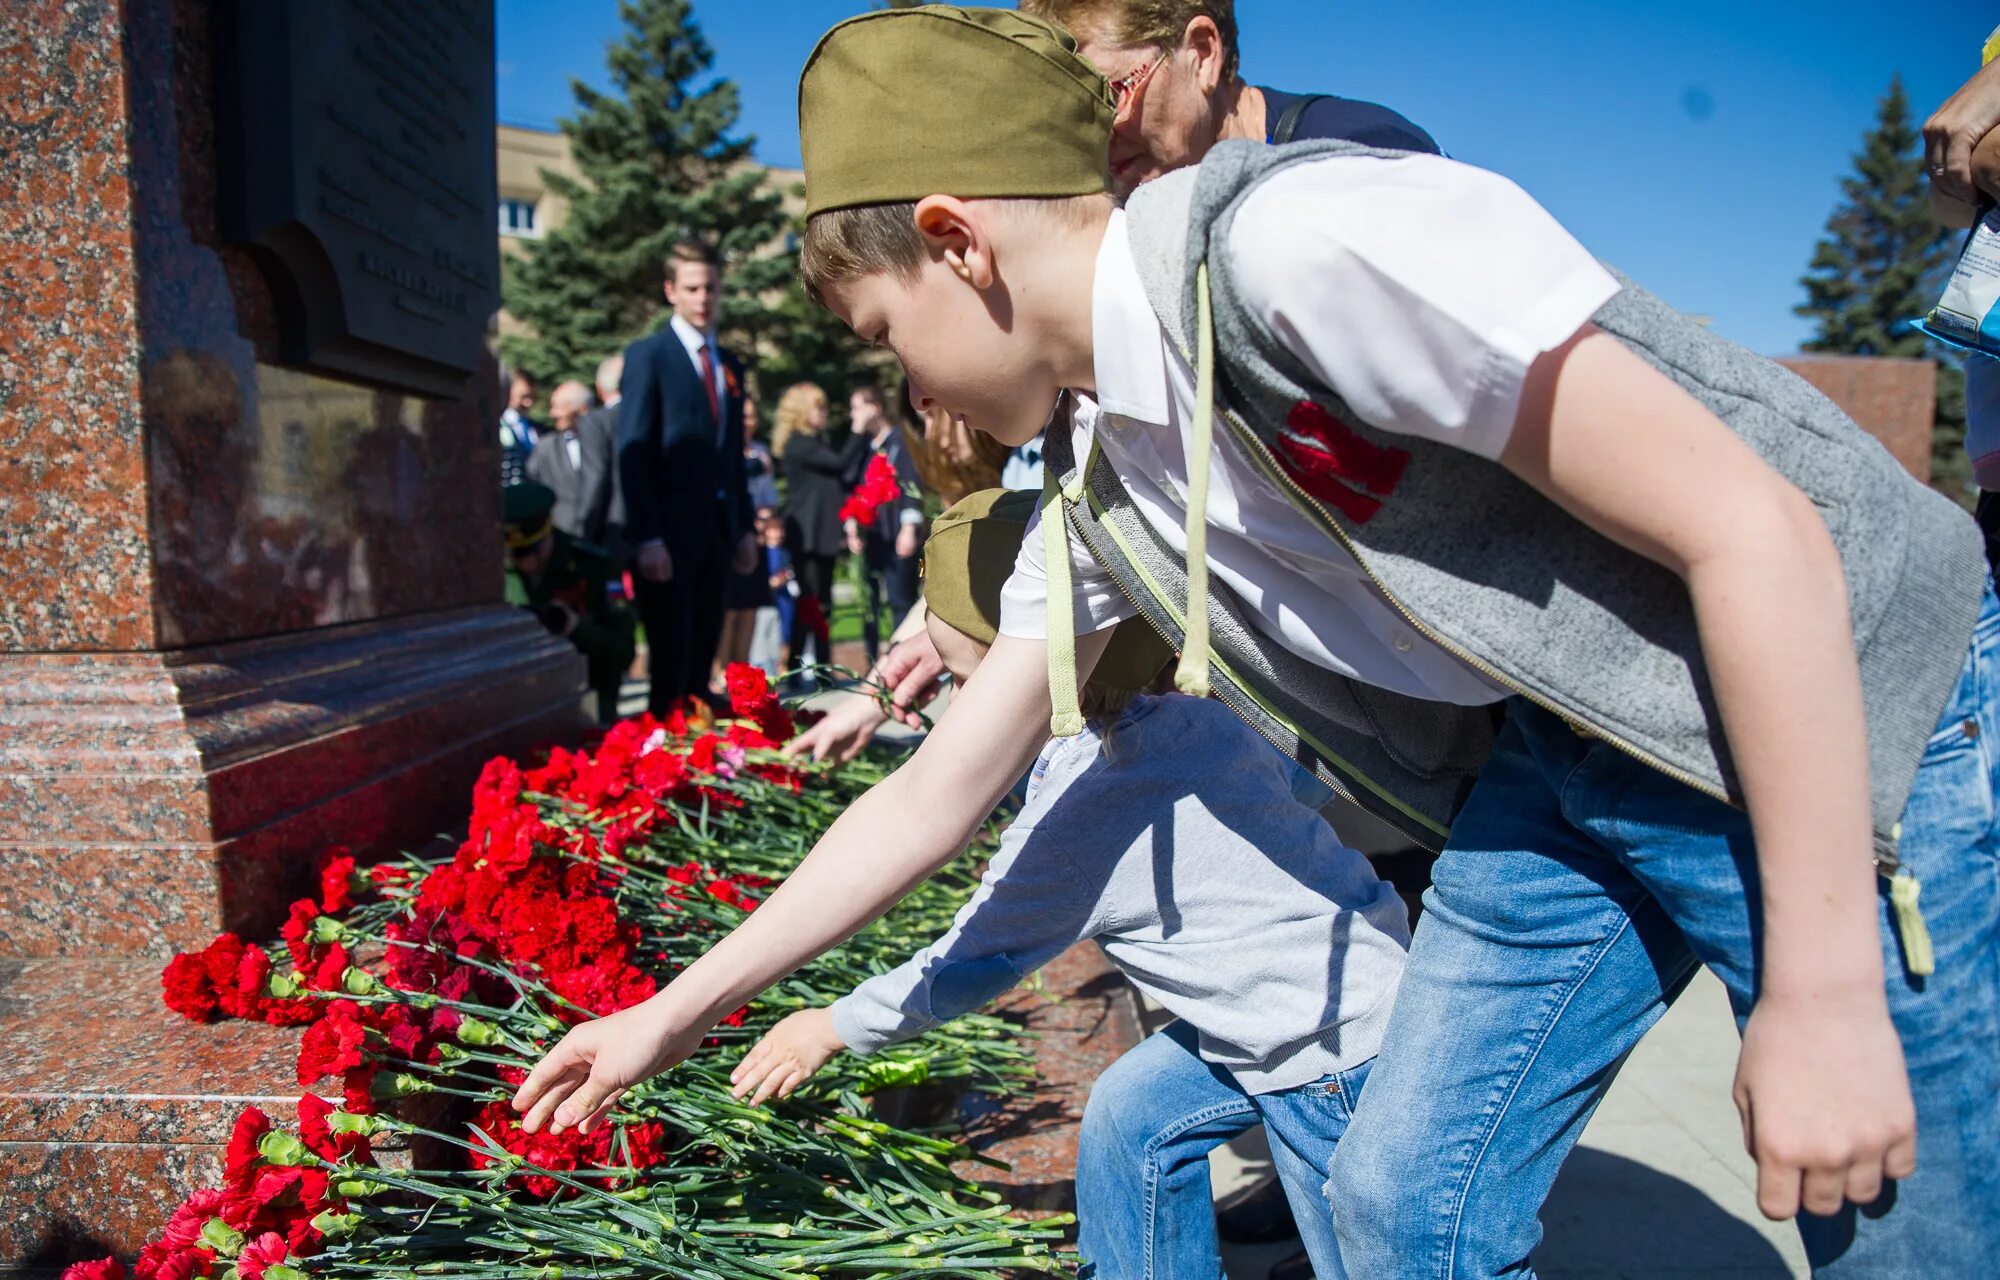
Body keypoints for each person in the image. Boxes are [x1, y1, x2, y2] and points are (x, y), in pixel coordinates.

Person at [516, 11, 1999, 1279]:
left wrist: (1820, 988)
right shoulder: (1099, 482)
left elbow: (1759, 534)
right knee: (1402, 1197)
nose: (900, 377)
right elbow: (931, 795)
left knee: (1895, 1219)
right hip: (1582, 755)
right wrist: (668, 1014)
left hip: (1850, 706)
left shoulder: (1295, 244)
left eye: (881, 330)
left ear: (956, 242)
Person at [730, 488, 1408, 1279]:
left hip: (1327, 1060)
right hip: (1336, 991)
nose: (956, 706)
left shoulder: (1093, 798)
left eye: (962, 680)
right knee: (1133, 1114)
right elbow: (1303, 787)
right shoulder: (1186, 714)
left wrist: (832, 1026)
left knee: (1366, 1262)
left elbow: (974, 960)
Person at [1020, 0, 1434, 197]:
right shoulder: (1117, 212)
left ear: (1202, 54)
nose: (1095, 133)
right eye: (1071, 112)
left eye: (1112, 94)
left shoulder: (1366, 160)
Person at [617, 241, 758, 716]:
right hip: (668, 535)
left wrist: (742, 528)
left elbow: (731, 457)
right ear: (671, 291)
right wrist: (647, 535)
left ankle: (703, 762)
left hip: (717, 532)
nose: (704, 298)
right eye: (693, 288)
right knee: (670, 658)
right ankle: (663, 758)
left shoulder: (729, 365)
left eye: (711, 288)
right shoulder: (649, 355)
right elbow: (632, 451)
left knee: (703, 654)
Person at [503, 482, 636, 726]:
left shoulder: (596, 568)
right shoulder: (498, 575)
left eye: (532, 551)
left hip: (589, 702)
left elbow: (624, 651)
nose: (526, 564)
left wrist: (577, 627)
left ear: (547, 534)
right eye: (517, 555)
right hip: (520, 707)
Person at [773, 381, 861, 677]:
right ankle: (804, 667)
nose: (824, 413)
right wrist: (858, 431)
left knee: (820, 601)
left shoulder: (815, 442)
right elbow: (840, 464)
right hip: (807, 534)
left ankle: (818, 665)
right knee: (811, 602)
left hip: (820, 532)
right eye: (818, 407)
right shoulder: (799, 444)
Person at [845, 384, 924, 665]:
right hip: (871, 535)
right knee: (869, 602)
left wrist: (909, 527)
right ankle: (871, 663)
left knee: (900, 598)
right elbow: (851, 486)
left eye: (858, 406)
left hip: (896, 532)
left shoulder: (900, 442)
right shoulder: (864, 449)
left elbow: (910, 483)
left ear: (875, 407)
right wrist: (851, 524)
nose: (853, 414)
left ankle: (902, 657)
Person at [716, 397, 778, 688]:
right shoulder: (723, 450)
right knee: (729, 607)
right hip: (731, 536)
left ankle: (741, 669)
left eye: (752, 416)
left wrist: (765, 520)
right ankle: (721, 671)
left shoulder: (761, 452)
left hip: (758, 536)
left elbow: (769, 495)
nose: (748, 422)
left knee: (751, 606)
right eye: (743, 416)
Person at [527, 380, 619, 549]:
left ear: (581, 410)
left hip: (605, 537)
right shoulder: (546, 447)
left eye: (558, 407)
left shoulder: (608, 442)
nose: (552, 414)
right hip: (561, 539)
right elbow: (532, 486)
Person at [498, 370, 542, 487]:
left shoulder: (537, 429)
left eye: (533, 397)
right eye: (524, 396)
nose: (529, 403)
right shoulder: (499, 425)